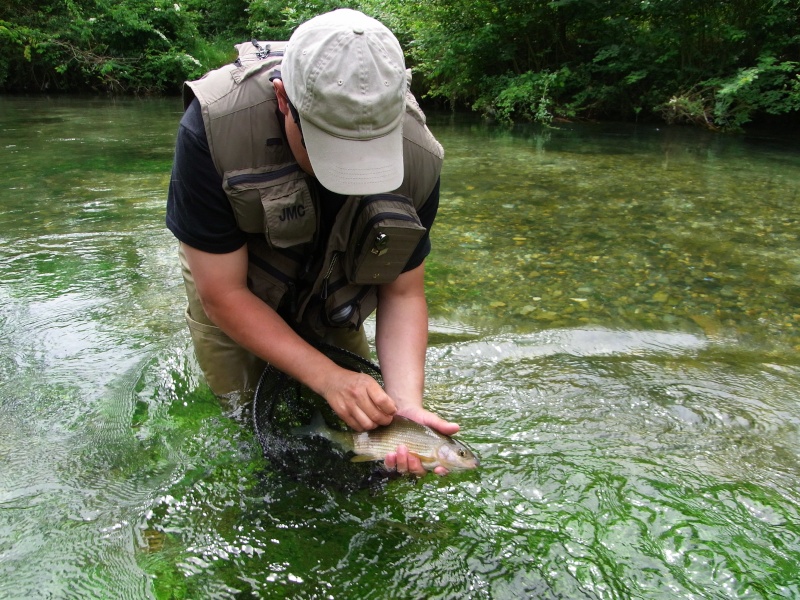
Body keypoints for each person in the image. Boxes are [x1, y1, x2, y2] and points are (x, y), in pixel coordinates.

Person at [166, 9, 458, 476]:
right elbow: (222, 293)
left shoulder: (420, 154)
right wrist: (327, 377)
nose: (347, 174)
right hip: (236, 285)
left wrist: (405, 408)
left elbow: (403, 291)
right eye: (329, 146)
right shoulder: (214, 128)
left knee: (363, 445)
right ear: (283, 100)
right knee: (247, 436)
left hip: (338, 280)